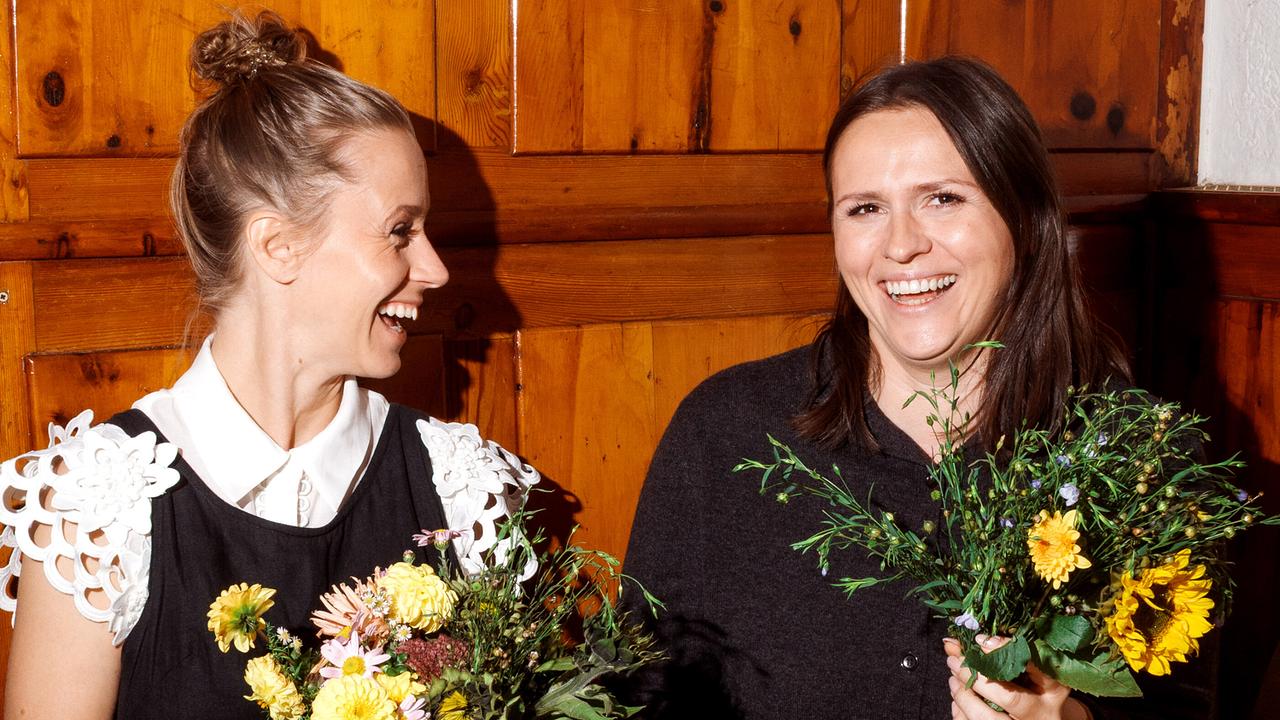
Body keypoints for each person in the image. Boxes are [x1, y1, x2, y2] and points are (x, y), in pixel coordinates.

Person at [622, 57, 1213, 719]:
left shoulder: (1135, 458)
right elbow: (638, 697)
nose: (901, 246)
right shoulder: (725, 431)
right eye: (866, 208)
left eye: (942, 198)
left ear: (1023, 219)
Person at [0, 11, 537, 718]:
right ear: (278, 246)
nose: (434, 269)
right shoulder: (98, 513)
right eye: (400, 231)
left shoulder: (463, 490)